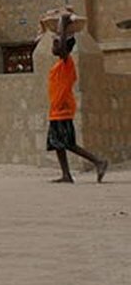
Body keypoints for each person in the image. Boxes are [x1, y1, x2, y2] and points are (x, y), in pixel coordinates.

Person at [45, 10, 108, 184]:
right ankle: (66, 174)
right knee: (57, 143)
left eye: (56, 43)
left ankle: (99, 161)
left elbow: (64, 47)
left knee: (68, 143)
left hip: (63, 109)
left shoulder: (67, 63)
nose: (53, 46)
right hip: (56, 109)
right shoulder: (58, 65)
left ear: (64, 47)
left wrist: (63, 25)